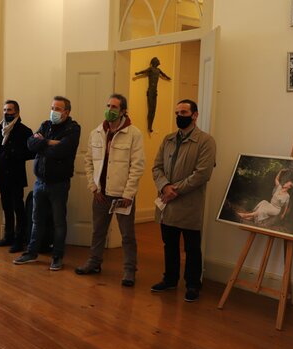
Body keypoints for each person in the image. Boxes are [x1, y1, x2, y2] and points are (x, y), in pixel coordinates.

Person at [75, 94, 145, 287]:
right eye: (108, 106)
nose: (110, 110)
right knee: (98, 231)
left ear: (123, 111)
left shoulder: (134, 134)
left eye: (114, 107)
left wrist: (128, 194)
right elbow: (88, 161)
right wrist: (93, 187)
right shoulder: (96, 132)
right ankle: (94, 262)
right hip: (100, 194)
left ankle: (129, 270)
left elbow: (137, 166)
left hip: (122, 195)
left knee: (127, 235)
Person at [151, 99, 216, 302]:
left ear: (195, 115)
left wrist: (175, 190)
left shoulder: (206, 141)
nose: (179, 116)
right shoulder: (168, 139)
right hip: (167, 202)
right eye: (177, 113)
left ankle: (193, 284)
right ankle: (170, 279)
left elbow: (202, 174)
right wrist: (165, 186)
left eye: (184, 113)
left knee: (192, 247)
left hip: (189, 204)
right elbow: (156, 167)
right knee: (169, 244)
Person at [13, 96, 81, 271]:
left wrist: (42, 145)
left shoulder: (73, 129)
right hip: (40, 182)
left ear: (66, 112)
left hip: (59, 184)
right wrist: (48, 143)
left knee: (58, 222)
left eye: (57, 109)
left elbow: (62, 150)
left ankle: (57, 257)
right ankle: (31, 252)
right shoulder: (45, 125)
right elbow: (30, 144)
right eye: (52, 108)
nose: (53, 112)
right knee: (37, 220)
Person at [0, 100, 33, 253]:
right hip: (2, 174)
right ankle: (8, 236)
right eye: (4, 110)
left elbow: (32, 152)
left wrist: (14, 154)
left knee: (18, 207)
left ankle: (19, 239)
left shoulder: (25, 130)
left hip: (16, 175)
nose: (6, 113)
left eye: (9, 110)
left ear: (17, 112)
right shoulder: (0, 127)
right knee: (6, 206)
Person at [133, 57, 171, 133]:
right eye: (158, 61)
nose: (159, 61)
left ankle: (151, 126)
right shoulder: (151, 69)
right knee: (150, 109)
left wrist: (168, 77)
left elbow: (163, 74)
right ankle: (149, 126)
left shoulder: (158, 70)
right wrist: (137, 73)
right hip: (150, 91)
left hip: (155, 91)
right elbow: (144, 71)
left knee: (154, 109)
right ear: (155, 62)